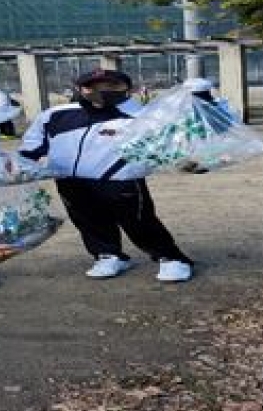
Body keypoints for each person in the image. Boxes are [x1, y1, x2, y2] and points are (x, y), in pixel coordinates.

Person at [19, 68, 193, 282]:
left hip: (121, 180)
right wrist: (21, 163)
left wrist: (201, 98)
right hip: (70, 181)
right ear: (80, 89)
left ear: (127, 89)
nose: (101, 90)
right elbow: (31, 145)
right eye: (92, 86)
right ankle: (108, 255)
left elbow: (183, 135)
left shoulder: (144, 115)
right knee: (88, 221)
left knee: (139, 222)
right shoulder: (56, 114)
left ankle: (171, 258)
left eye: (111, 85)